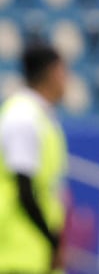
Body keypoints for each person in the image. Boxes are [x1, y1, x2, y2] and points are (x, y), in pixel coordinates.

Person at [0, 42, 69, 274]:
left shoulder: (40, 115)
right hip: (17, 249)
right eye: (63, 71)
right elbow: (25, 189)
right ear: (52, 72)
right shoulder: (24, 116)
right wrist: (53, 240)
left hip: (32, 249)